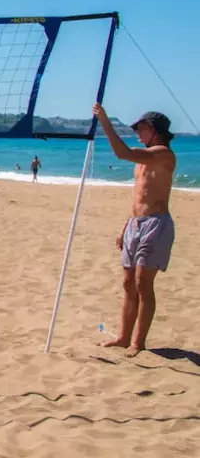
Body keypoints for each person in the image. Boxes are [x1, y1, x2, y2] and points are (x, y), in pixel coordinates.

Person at [94, 105, 177, 357]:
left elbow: (122, 153)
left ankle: (138, 342)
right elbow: (139, 196)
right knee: (128, 282)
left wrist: (103, 120)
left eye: (142, 128)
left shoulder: (163, 154)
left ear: (155, 131)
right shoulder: (143, 160)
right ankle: (123, 336)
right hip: (135, 224)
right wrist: (125, 226)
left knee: (143, 282)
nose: (138, 132)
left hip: (156, 224)